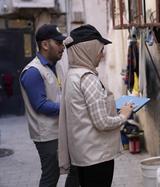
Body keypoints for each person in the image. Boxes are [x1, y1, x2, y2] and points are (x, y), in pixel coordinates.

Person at [58, 24, 133, 187]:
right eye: (100, 49)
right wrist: (124, 115)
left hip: (83, 156)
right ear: (88, 50)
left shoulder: (72, 75)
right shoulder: (88, 78)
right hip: (97, 158)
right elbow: (102, 122)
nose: (102, 54)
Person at [20, 24, 79, 187]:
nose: (62, 47)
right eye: (58, 43)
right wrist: (71, 106)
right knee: (51, 176)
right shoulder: (32, 72)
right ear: (45, 45)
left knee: (77, 168)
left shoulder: (56, 66)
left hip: (61, 129)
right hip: (47, 135)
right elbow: (41, 105)